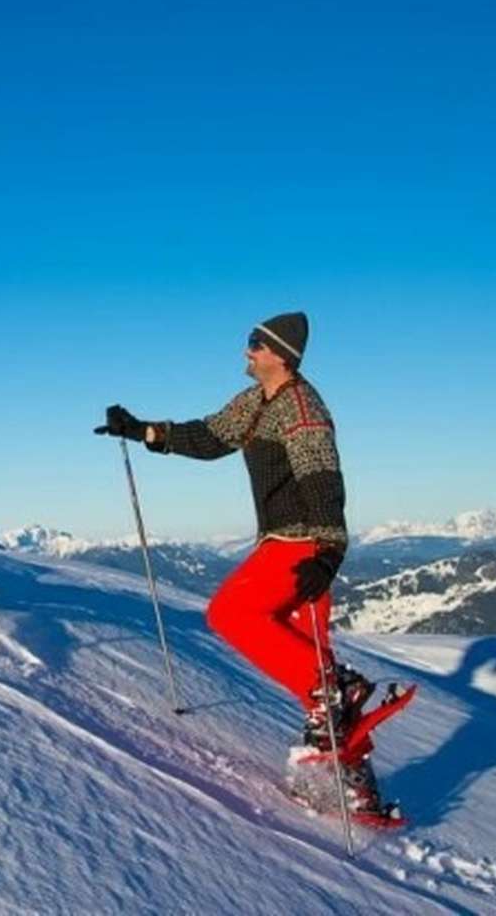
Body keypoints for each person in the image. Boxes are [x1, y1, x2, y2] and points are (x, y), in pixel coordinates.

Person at [96, 312, 390, 813]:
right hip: (285, 542)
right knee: (310, 662)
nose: (246, 351)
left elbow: (323, 480)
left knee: (231, 614)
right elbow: (211, 437)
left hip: (301, 545)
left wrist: (328, 553)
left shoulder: (302, 409)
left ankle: (335, 687)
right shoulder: (257, 403)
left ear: (280, 354)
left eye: (255, 343)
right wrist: (143, 431)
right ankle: (351, 783)